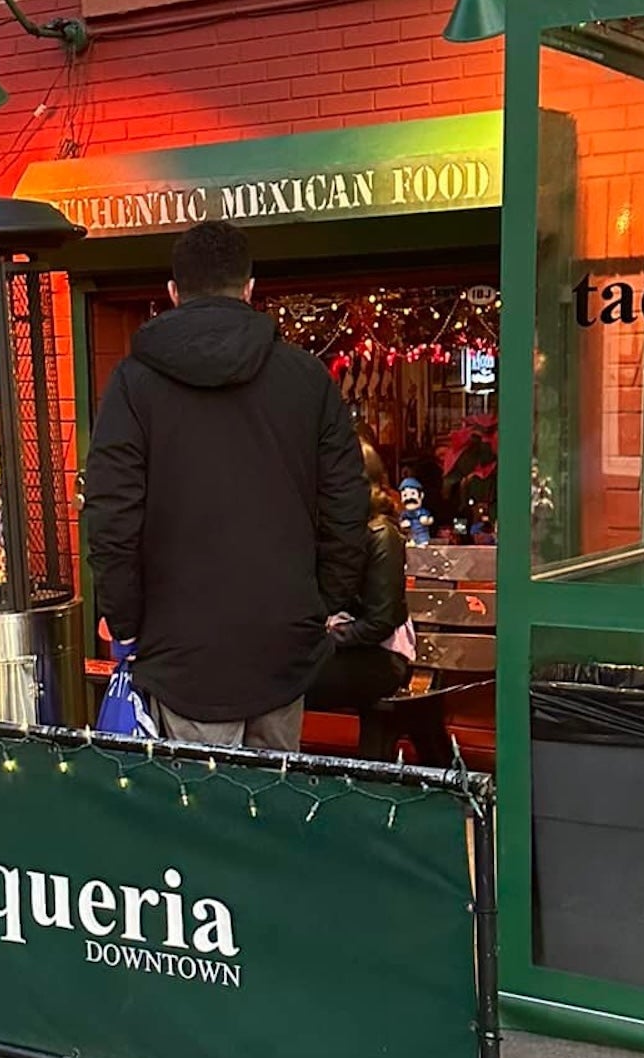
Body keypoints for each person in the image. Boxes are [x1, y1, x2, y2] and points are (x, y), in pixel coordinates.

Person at [84, 221, 367, 750]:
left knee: (204, 820)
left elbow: (111, 514)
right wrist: (322, 601)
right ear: (249, 287)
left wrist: (126, 621)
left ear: (173, 292)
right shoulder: (306, 379)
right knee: (276, 806)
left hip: (180, 645)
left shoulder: (133, 382)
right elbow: (347, 506)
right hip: (282, 639)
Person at [308, 440, 414, 721]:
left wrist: (326, 638)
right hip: (335, 646)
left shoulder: (382, 536)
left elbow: (380, 622)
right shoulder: (330, 530)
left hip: (380, 657)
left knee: (291, 678)